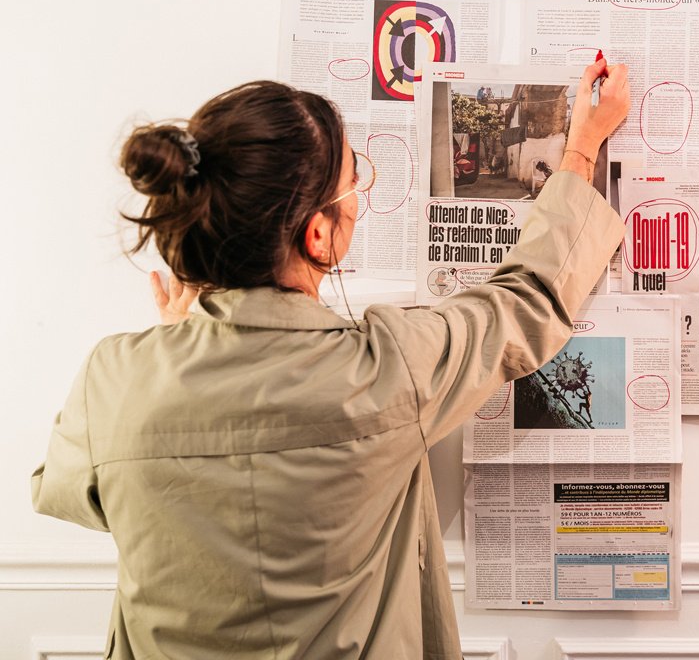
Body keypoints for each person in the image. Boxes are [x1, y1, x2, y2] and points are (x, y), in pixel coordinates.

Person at [31, 58, 629, 658]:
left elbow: (64, 490)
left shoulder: (113, 378)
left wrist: (174, 342)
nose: (358, 197)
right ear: (317, 233)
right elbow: (526, 301)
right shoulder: (386, 368)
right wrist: (580, 150)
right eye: (354, 180)